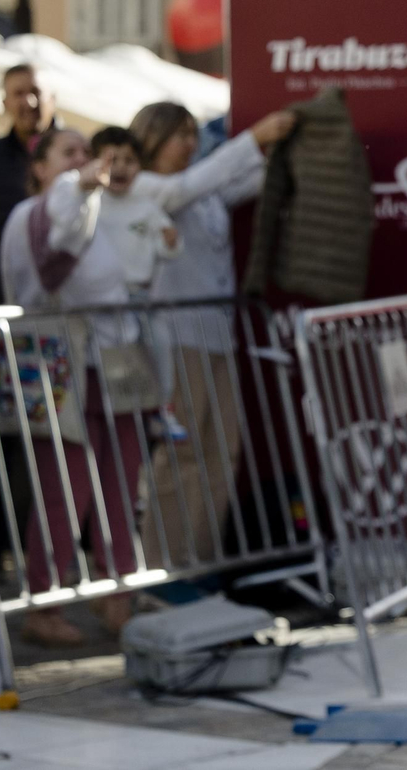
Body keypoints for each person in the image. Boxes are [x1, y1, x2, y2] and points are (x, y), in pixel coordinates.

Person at [126, 104, 296, 570]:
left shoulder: (201, 191)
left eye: (191, 134)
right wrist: (254, 137)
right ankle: (164, 566)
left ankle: (201, 562)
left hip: (220, 338)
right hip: (175, 339)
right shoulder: (143, 188)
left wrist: (285, 149)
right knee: (181, 455)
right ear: (150, 140)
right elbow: (188, 187)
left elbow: (246, 181)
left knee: (223, 453)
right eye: (176, 136)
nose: (188, 144)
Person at [0, 129, 140, 646]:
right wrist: (79, 186)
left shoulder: (89, 208)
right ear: (40, 168)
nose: (85, 161)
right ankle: (46, 601)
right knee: (65, 488)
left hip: (109, 363)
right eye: (69, 153)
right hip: (58, 365)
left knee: (121, 478)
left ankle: (116, 588)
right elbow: (54, 259)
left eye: (87, 151)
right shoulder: (35, 215)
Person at [89, 126, 186, 442]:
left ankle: (161, 410)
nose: (120, 168)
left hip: (140, 296)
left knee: (159, 349)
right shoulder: (90, 203)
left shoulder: (146, 206)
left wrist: (171, 243)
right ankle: (110, 410)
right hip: (101, 300)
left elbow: (166, 249)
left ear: (140, 167)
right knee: (108, 360)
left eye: (129, 161)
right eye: (112, 159)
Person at [0, 64, 54, 305]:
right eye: (18, 94)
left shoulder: (77, 155)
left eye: (36, 92)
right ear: (5, 103)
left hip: (64, 298)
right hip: (1, 297)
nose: (29, 102)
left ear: (52, 98)